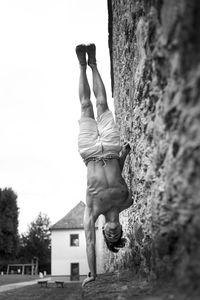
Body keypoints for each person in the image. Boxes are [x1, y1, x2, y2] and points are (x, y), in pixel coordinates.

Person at [75, 43, 133, 287]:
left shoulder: (93, 211)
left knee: (86, 106)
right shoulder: (127, 200)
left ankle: (80, 66)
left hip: (89, 152)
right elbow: (118, 174)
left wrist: (92, 273)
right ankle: (94, 63)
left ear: (104, 233)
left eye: (109, 237)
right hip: (110, 149)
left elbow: (88, 242)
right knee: (101, 104)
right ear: (120, 230)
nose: (111, 234)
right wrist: (125, 155)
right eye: (115, 236)